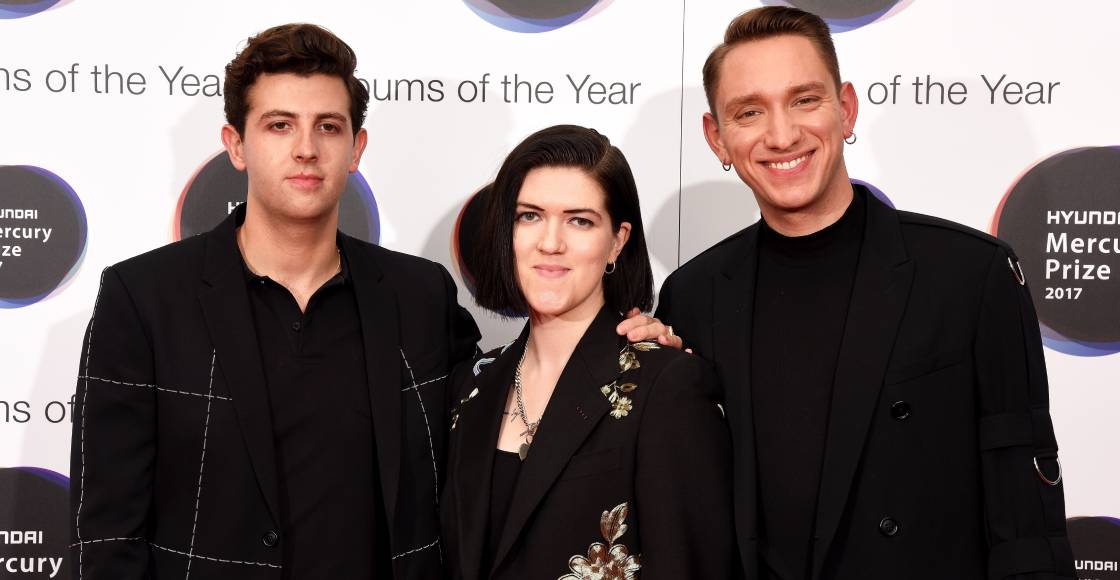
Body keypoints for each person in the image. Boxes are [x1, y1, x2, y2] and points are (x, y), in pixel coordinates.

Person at [654, 7, 1074, 580]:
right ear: (717, 138)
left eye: (805, 100)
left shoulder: (972, 275)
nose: (782, 135)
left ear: (846, 109)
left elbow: (1027, 531)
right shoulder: (692, 297)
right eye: (749, 112)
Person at [441, 125, 738, 579]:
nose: (550, 243)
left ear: (617, 241)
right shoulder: (472, 384)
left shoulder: (667, 385)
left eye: (579, 220)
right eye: (530, 216)